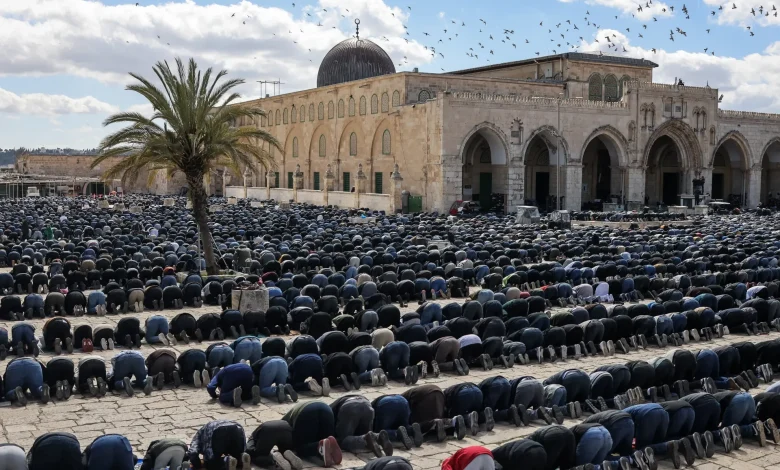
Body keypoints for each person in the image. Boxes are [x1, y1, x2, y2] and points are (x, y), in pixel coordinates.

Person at [282, 401, 343, 467]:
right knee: (326, 439)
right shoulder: (296, 408)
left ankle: (319, 446)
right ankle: (330, 445)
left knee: (301, 448)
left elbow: (283, 427)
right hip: (327, 409)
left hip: (306, 412)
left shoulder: (286, 420)